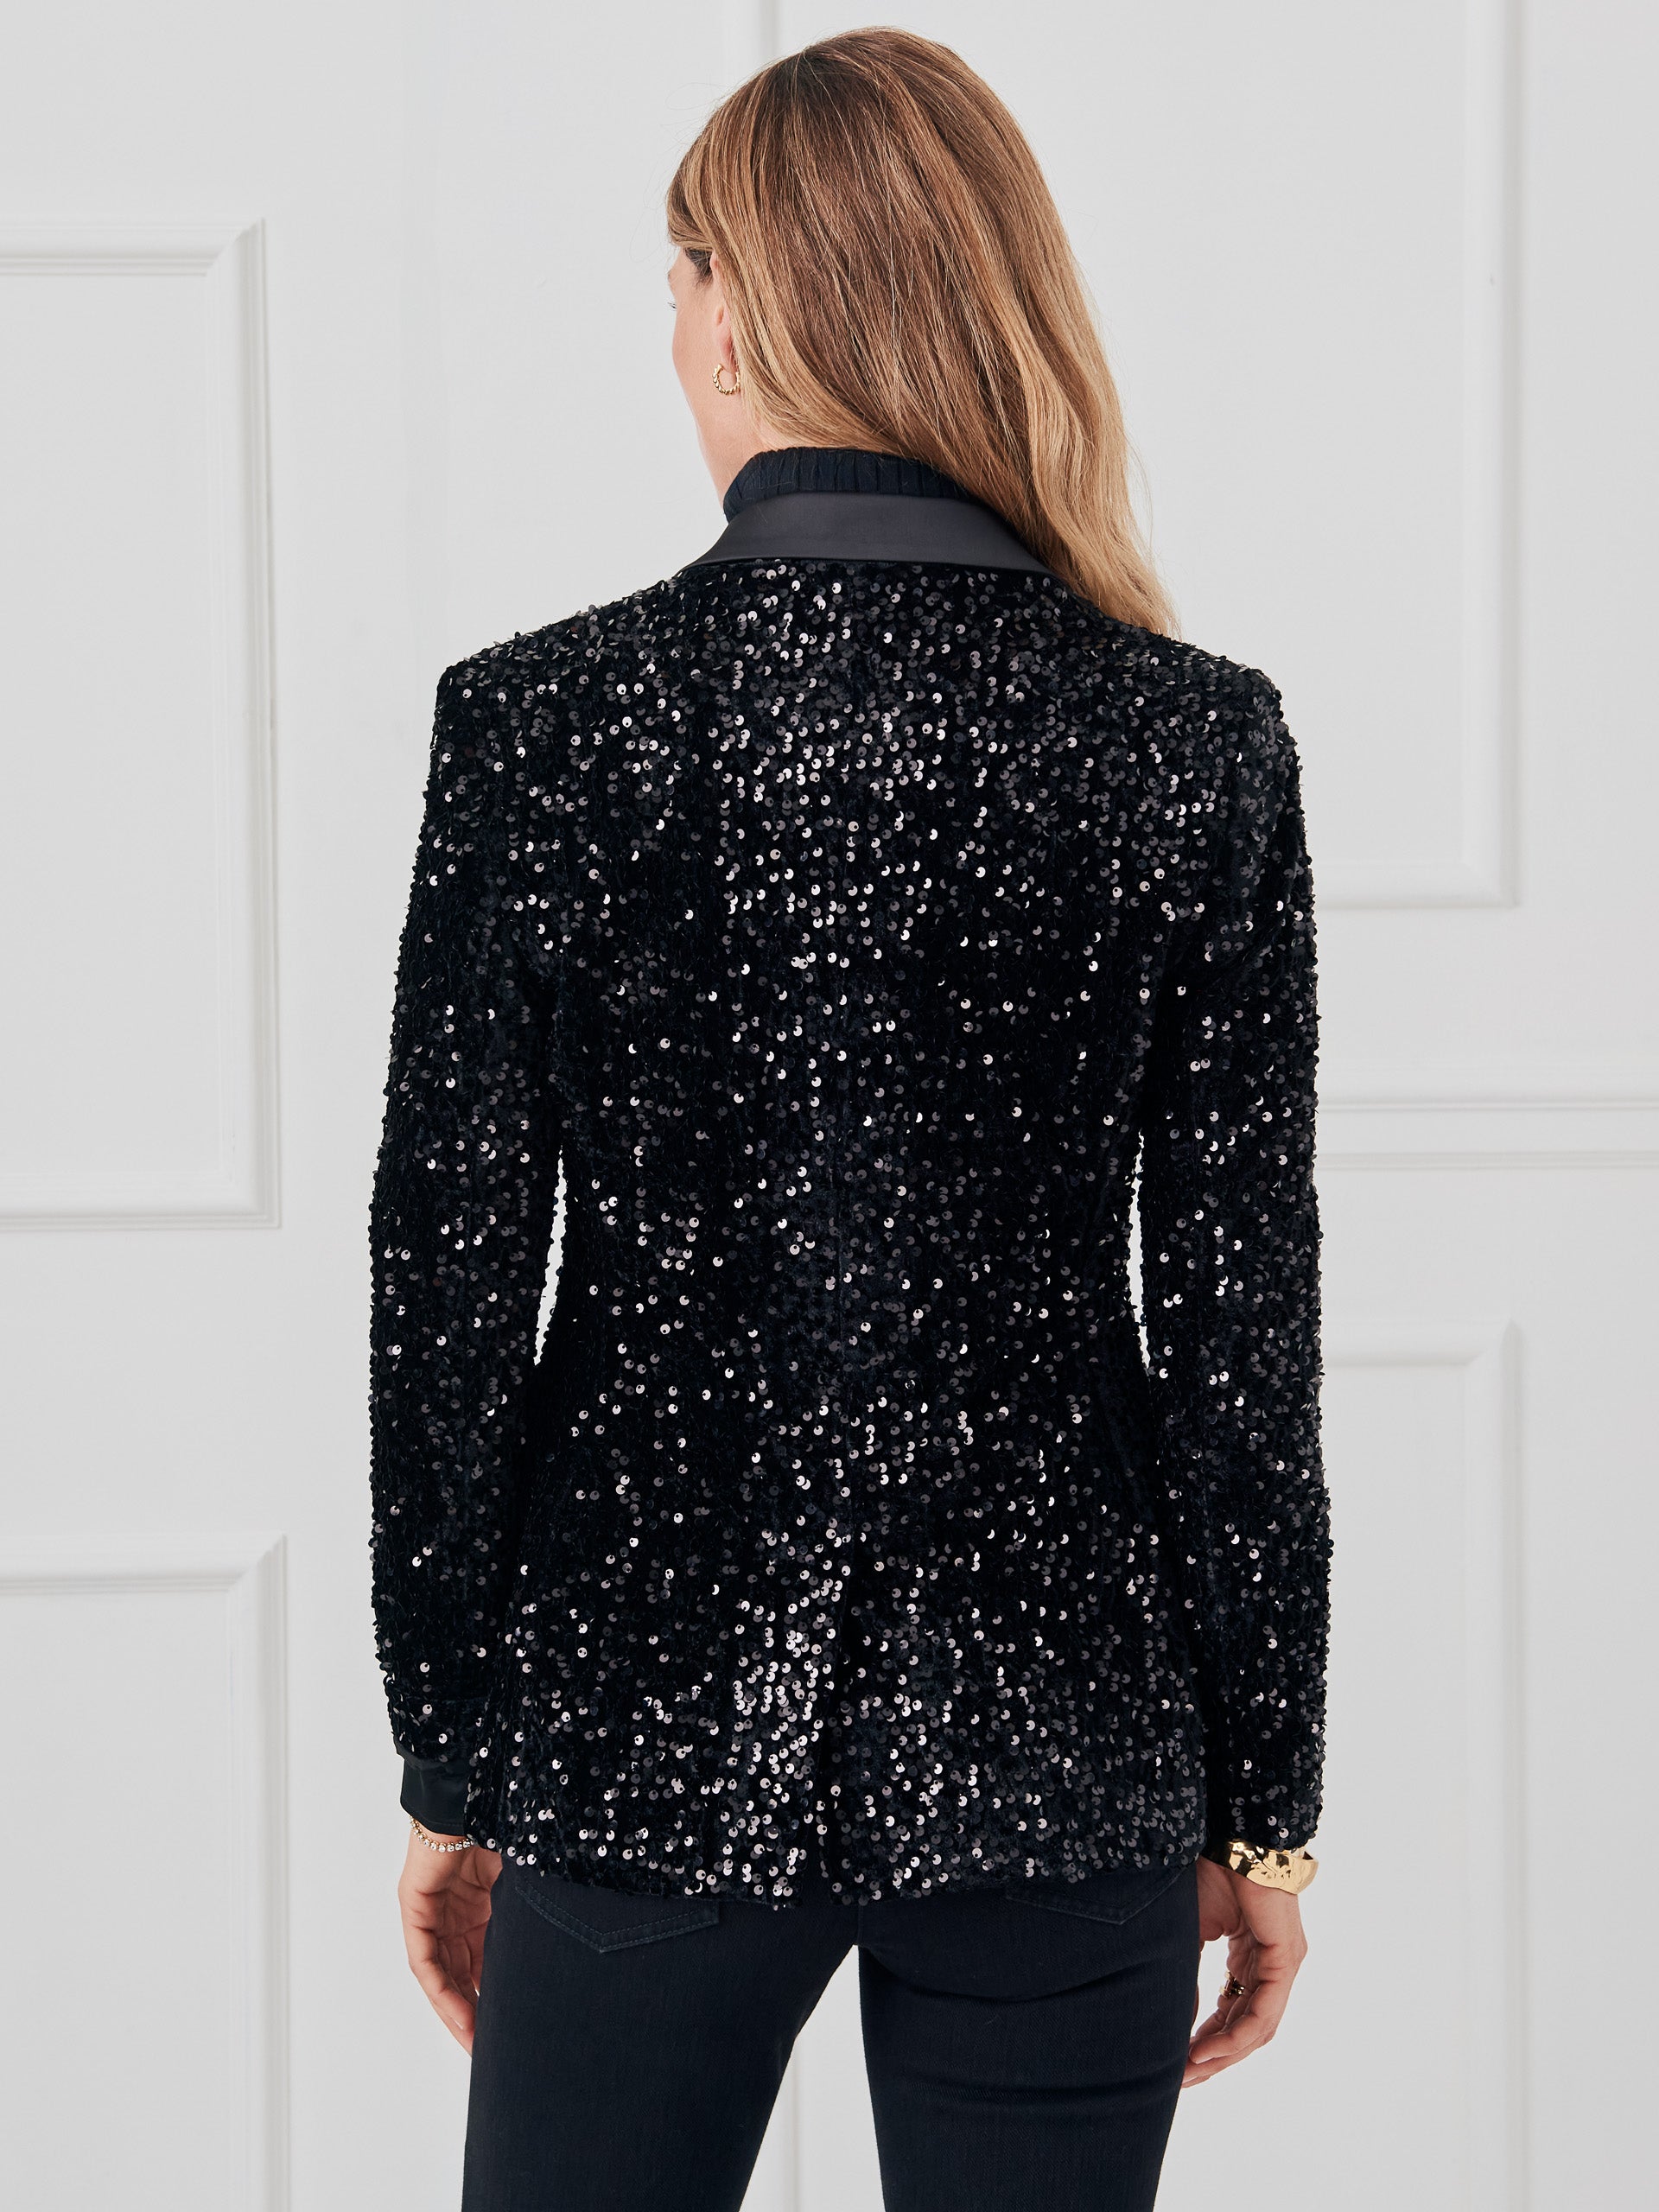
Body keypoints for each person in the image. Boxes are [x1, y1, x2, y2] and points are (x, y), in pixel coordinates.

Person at [368, 28, 1329, 2212]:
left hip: (638, 1728)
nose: (672, 334)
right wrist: (1263, 1802)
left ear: (736, 312)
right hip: (1067, 1750)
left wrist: (456, 1747)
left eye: (679, 278)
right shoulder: (1193, 744)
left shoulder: (542, 725)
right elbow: (1238, 1329)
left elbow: (446, 1293)